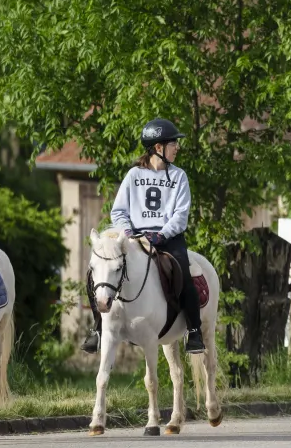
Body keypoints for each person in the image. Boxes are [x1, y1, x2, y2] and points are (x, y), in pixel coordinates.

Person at [80, 118, 207, 354]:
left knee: (184, 271)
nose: (177, 147)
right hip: (134, 237)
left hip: (167, 238)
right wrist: (128, 232)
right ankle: (97, 328)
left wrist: (161, 234)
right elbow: (118, 211)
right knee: (96, 273)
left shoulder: (179, 177)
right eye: (173, 144)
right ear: (158, 148)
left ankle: (194, 331)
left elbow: (180, 216)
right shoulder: (133, 175)